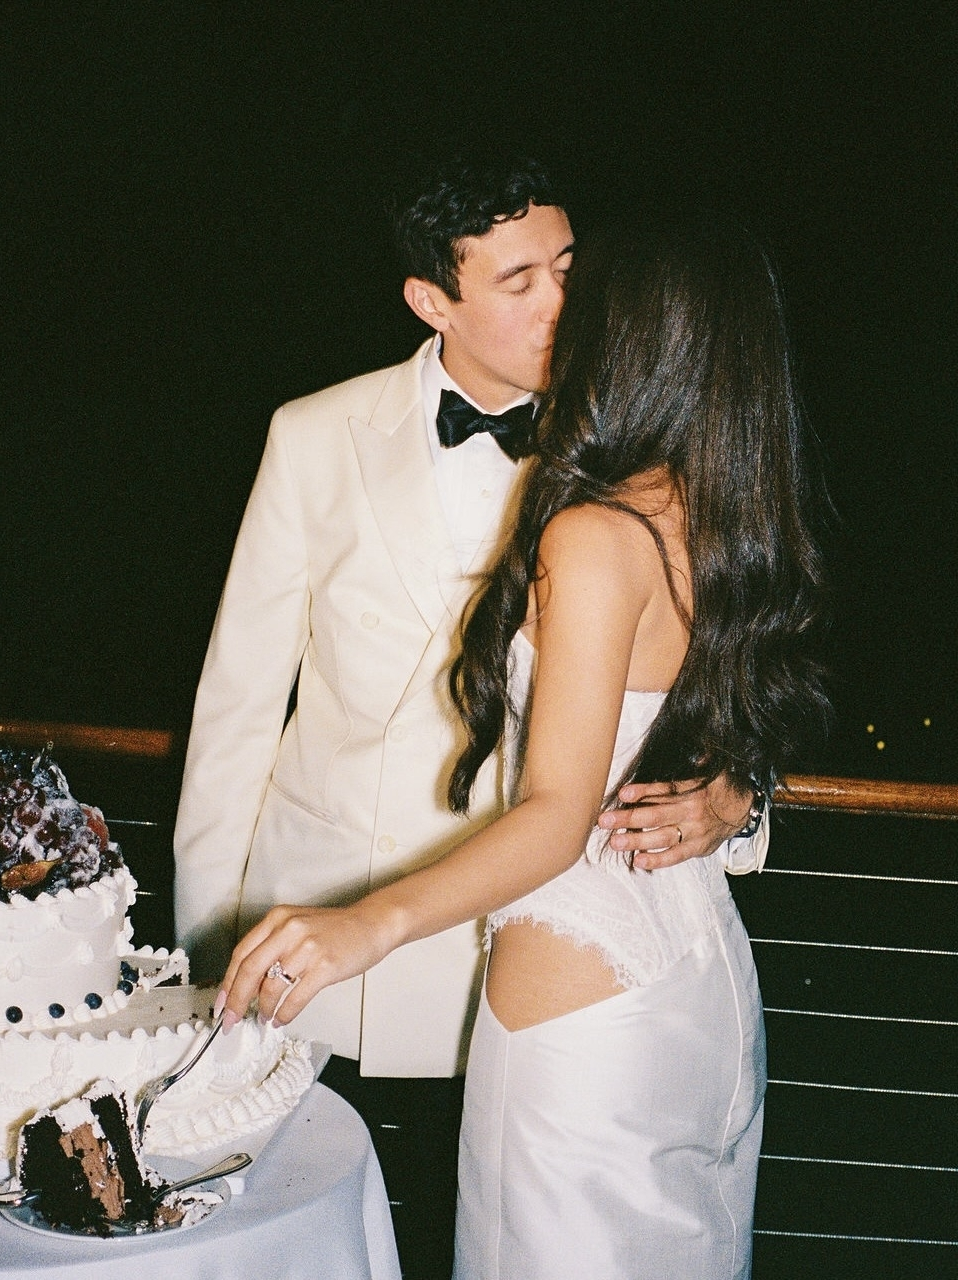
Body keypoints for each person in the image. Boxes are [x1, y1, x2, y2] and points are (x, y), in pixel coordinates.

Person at [172, 157, 766, 1271]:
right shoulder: (314, 433)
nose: (560, 303)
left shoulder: (632, 457)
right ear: (430, 300)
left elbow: (724, 670)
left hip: (519, 965)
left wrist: (738, 797)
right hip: (324, 958)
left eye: (570, 269)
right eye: (518, 280)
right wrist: (209, 965)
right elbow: (235, 714)